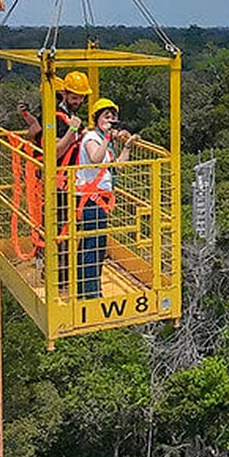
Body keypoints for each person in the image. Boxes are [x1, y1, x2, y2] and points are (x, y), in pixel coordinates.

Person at [75, 97, 139, 299]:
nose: (110, 120)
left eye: (113, 117)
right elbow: (95, 159)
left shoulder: (103, 139)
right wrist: (108, 138)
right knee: (93, 246)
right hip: (90, 199)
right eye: (106, 116)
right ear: (97, 118)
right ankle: (91, 292)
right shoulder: (92, 138)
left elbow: (117, 166)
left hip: (99, 199)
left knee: (95, 243)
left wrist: (127, 146)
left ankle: (84, 288)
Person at [55, 71, 90, 291]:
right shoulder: (57, 117)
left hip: (73, 180)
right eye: (75, 96)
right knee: (61, 229)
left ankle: (69, 276)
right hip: (59, 181)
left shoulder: (71, 116)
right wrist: (74, 129)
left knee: (73, 228)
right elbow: (56, 151)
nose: (79, 101)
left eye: (81, 97)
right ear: (65, 93)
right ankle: (61, 279)